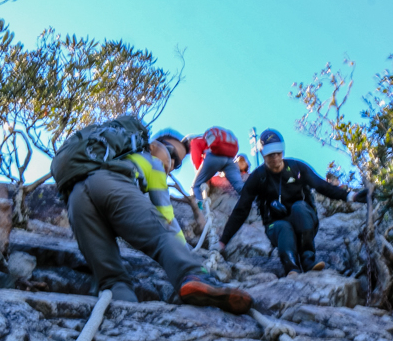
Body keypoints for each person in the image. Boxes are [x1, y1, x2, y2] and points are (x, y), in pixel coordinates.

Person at [65, 125, 253, 314]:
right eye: (172, 155)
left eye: (176, 164)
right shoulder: (152, 162)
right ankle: (193, 275)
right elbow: (166, 218)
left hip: (76, 199)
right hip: (111, 185)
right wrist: (187, 253)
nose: (171, 164)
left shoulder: (116, 157)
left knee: (111, 279)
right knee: (162, 235)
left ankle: (123, 313)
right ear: (153, 146)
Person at [217, 129, 367, 277]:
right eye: (270, 153)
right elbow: (241, 209)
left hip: (304, 219)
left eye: (278, 152)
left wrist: (351, 196)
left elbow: (322, 186)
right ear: (263, 154)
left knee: (299, 207)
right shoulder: (258, 177)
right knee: (282, 226)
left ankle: (308, 260)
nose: (275, 156)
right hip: (275, 225)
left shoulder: (296, 168)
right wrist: (223, 241)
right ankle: (291, 268)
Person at [186, 126, 245, 208]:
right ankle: (255, 199)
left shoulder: (195, 141)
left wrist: (202, 175)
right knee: (239, 186)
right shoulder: (210, 139)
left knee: (196, 186)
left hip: (214, 157)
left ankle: (200, 209)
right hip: (230, 159)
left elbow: (196, 159)